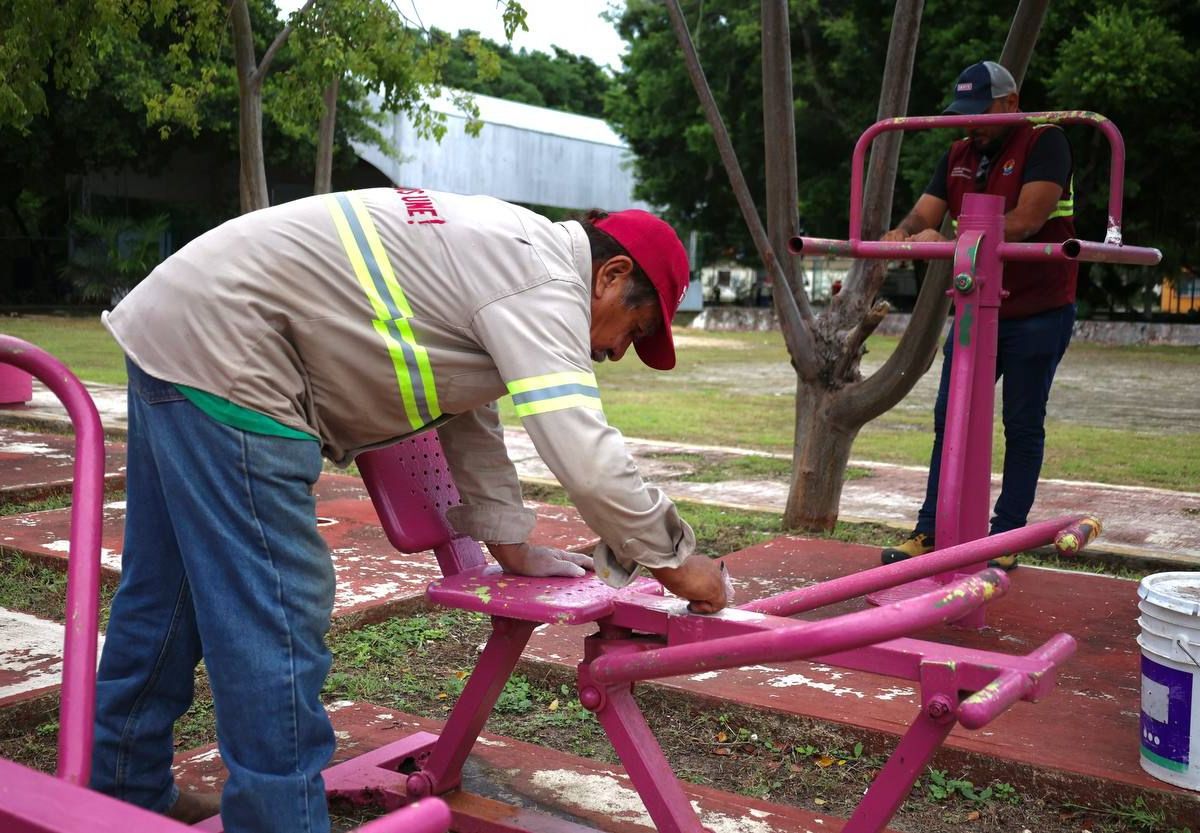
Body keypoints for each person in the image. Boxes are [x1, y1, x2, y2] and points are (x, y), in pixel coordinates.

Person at [92, 187, 729, 833]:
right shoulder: (540, 280)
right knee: (275, 613)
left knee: (164, 595)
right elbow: (582, 448)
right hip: (234, 354)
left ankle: (122, 790)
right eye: (635, 327)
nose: (617, 351)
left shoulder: (508, 250)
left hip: (176, 329)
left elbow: (467, 405)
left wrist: (509, 543)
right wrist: (676, 561)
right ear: (612, 275)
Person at [879, 60, 1077, 569]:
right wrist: (901, 234)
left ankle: (1005, 536)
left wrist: (948, 241)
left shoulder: (1044, 141)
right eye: (963, 113)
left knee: (1022, 421)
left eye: (980, 112)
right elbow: (924, 212)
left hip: (1036, 307)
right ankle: (931, 530)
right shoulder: (958, 152)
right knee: (951, 418)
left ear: (1011, 104)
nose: (971, 123)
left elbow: (1028, 221)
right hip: (974, 306)